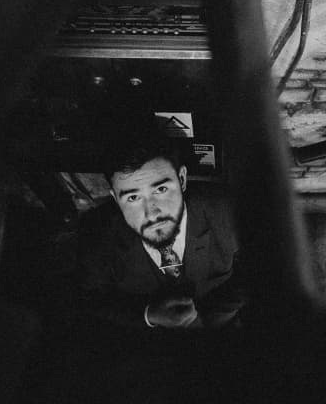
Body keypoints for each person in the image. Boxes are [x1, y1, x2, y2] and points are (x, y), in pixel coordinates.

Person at [75, 117, 246, 333]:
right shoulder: (96, 233)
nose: (151, 213)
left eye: (161, 190)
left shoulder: (228, 212)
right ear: (115, 198)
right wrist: (148, 315)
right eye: (133, 198)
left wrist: (208, 321)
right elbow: (89, 299)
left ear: (182, 179)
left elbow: (256, 270)